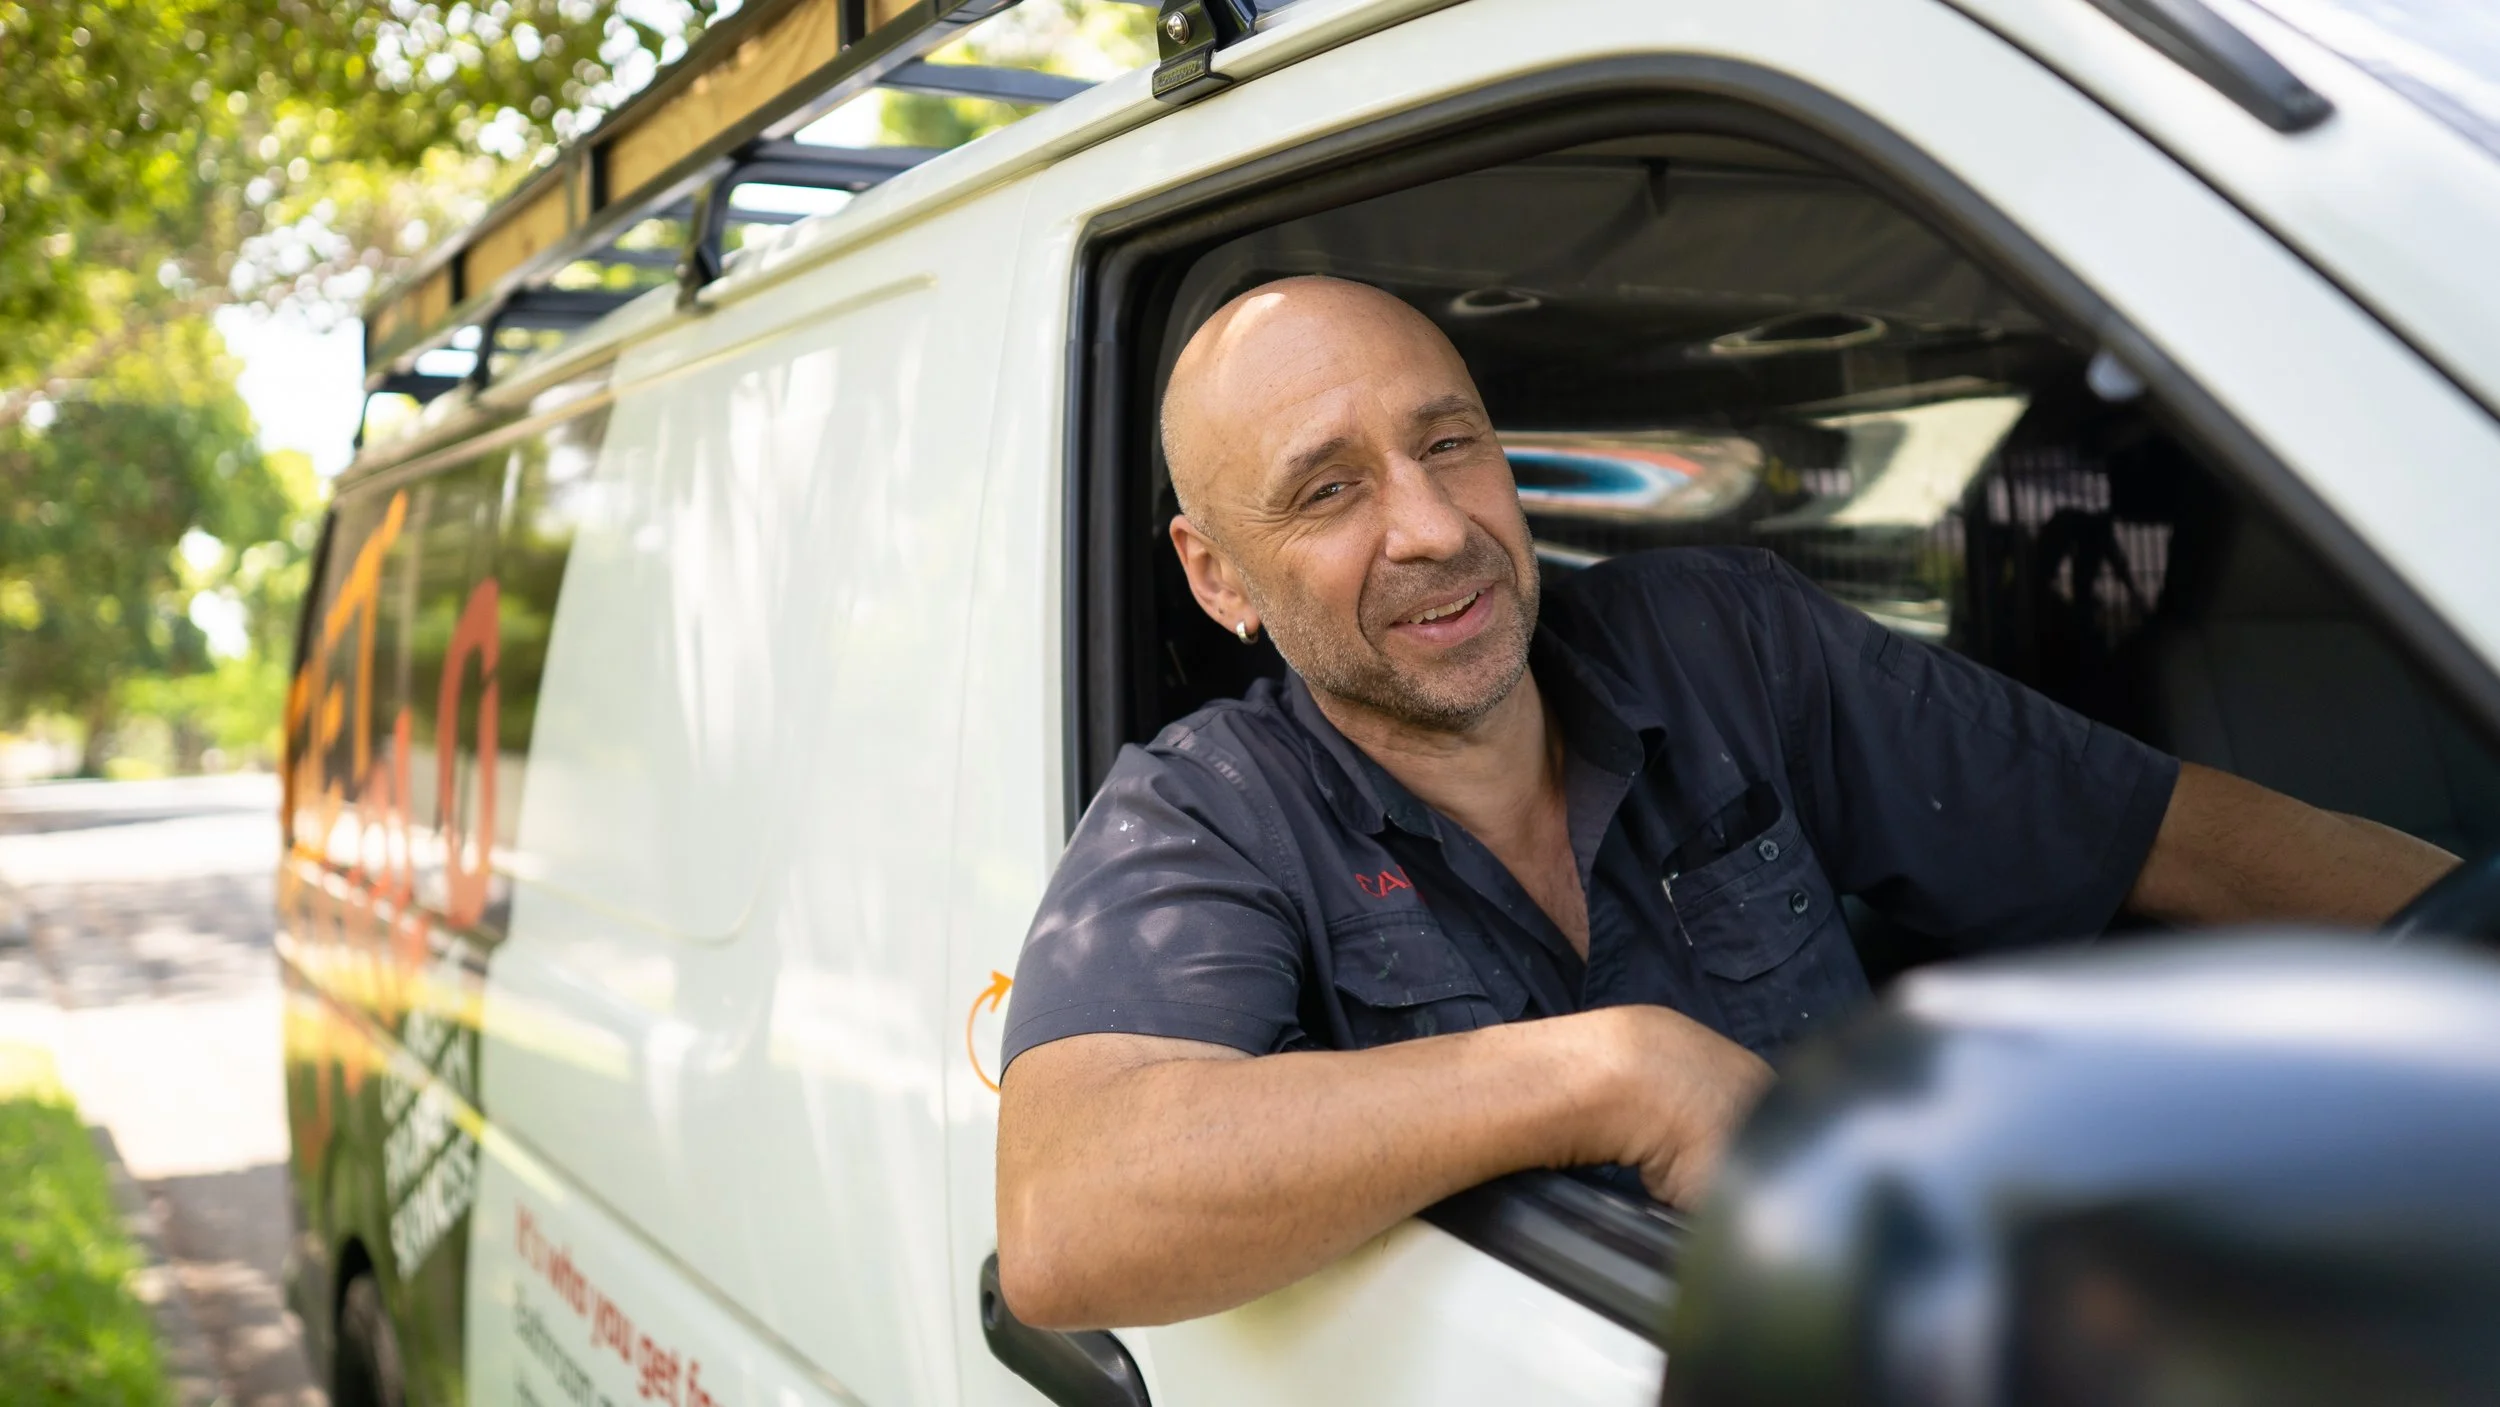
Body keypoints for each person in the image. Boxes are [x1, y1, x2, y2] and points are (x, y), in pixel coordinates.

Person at [992, 276, 2457, 1330]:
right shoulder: (1205, 812)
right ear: (1218, 576)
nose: (1434, 528)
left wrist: (2469, 945)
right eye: (1327, 492)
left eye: (1449, 443)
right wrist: (1611, 1071)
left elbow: (2177, 837)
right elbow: (1066, 1218)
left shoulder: (1719, 643)